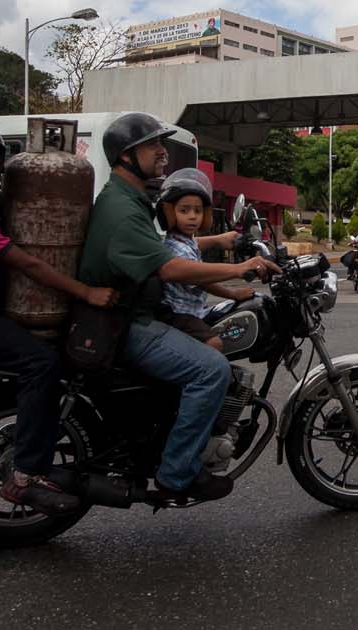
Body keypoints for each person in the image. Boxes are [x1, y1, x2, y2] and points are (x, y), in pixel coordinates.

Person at [76, 112, 280, 502]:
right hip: (125, 323)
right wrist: (239, 269)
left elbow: (165, 247)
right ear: (126, 156)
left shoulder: (130, 199)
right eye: (153, 145)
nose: (162, 152)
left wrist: (219, 241)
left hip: (130, 315)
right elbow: (169, 266)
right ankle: (178, 472)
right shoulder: (122, 209)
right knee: (211, 370)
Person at [0, 121, 119, 517]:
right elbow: (28, 262)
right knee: (40, 363)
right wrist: (85, 292)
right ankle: (25, 476)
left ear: (0, 165)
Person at [156, 168, 253, 351]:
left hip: (189, 311)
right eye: (184, 210)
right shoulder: (177, 247)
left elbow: (196, 248)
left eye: (198, 211)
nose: (192, 216)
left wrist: (219, 239)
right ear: (170, 213)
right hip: (178, 315)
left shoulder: (184, 241)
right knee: (215, 343)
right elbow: (202, 280)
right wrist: (234, 284)